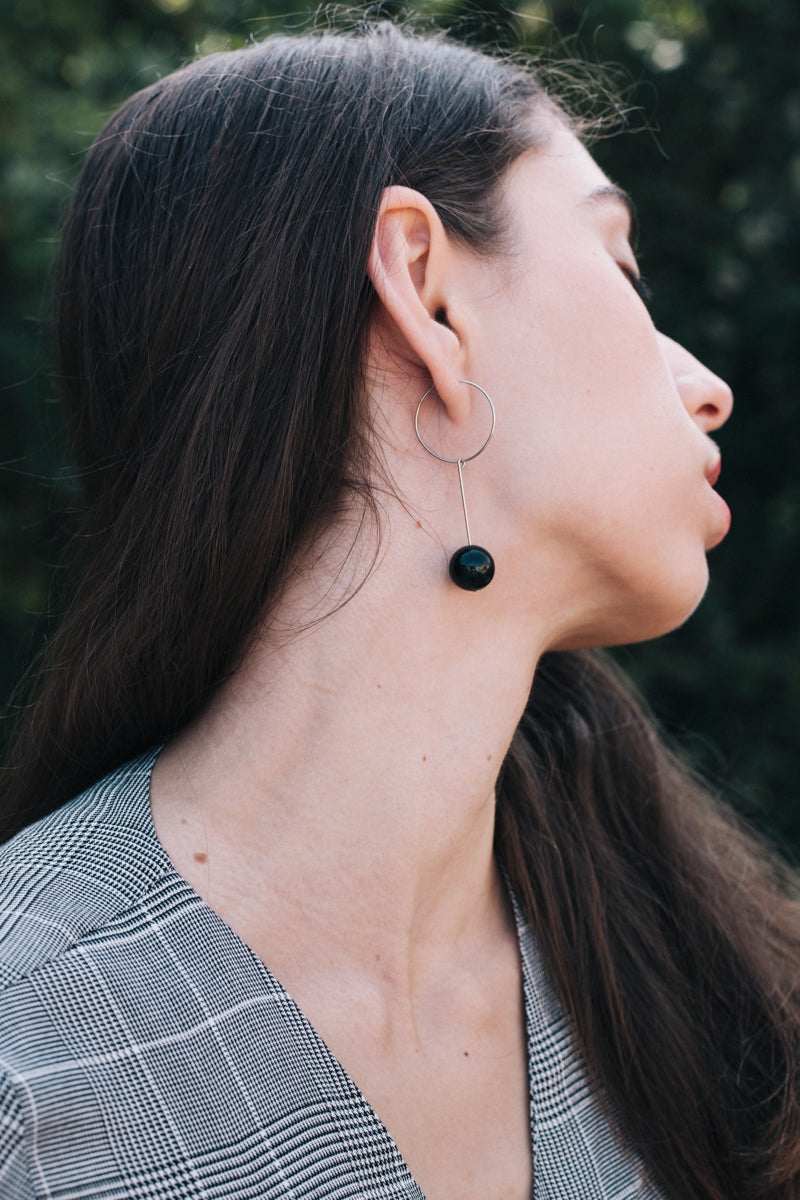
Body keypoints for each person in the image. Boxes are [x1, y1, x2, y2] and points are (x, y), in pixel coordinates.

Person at [0, 21, 798, 1200]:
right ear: (424, 289)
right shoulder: (31, 1064)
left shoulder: (686, 979)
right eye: (621, 267)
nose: (705, 385)